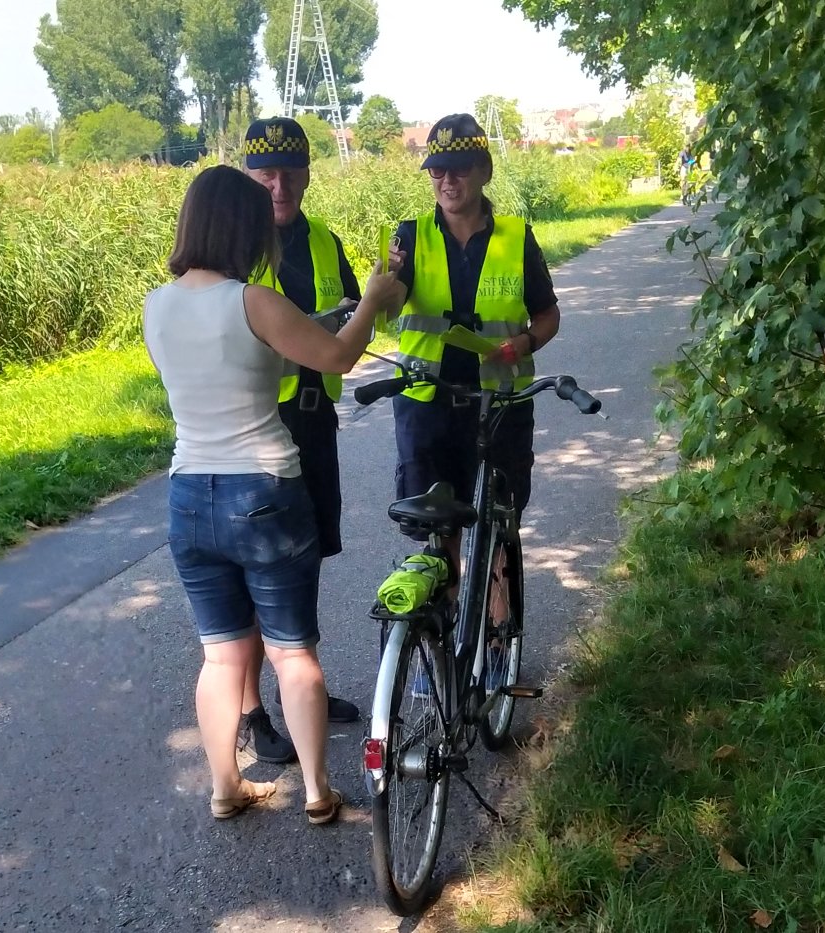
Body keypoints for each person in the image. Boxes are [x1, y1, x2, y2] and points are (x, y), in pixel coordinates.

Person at [143, 165, 404, 824]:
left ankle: (225, 786)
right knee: (291, 650)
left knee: (221, 654)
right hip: (264, 488)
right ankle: (318, 791)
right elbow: (338, 356)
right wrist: (370, 300)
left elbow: (240, 362)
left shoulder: (157, 305)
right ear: (242, 227)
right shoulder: (254, 300)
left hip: (188, 495)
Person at [386, 114, 560, 682]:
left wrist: (525, 342)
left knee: (498, 528)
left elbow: (548, 314)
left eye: (458, 170)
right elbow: (385, 305)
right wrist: (381, 287)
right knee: (441, 532)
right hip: (427, 405)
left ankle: (498, 650)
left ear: (482, 171)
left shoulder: (515, 237)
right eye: (436, 170)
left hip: (499, 408)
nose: (446, 182)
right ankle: (443, 644)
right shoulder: (408, 237)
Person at [237, 117, 361, 766]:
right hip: (260, 429)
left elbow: (351, 308)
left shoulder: (324, 240)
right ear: (249, 176)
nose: (278, 184)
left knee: (305, 561)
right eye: (265, 172)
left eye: (289, 170)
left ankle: (302, 688)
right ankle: (252, 709)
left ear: (308, 173)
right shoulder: (233, 249)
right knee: (262, 568)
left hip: (314, 425)